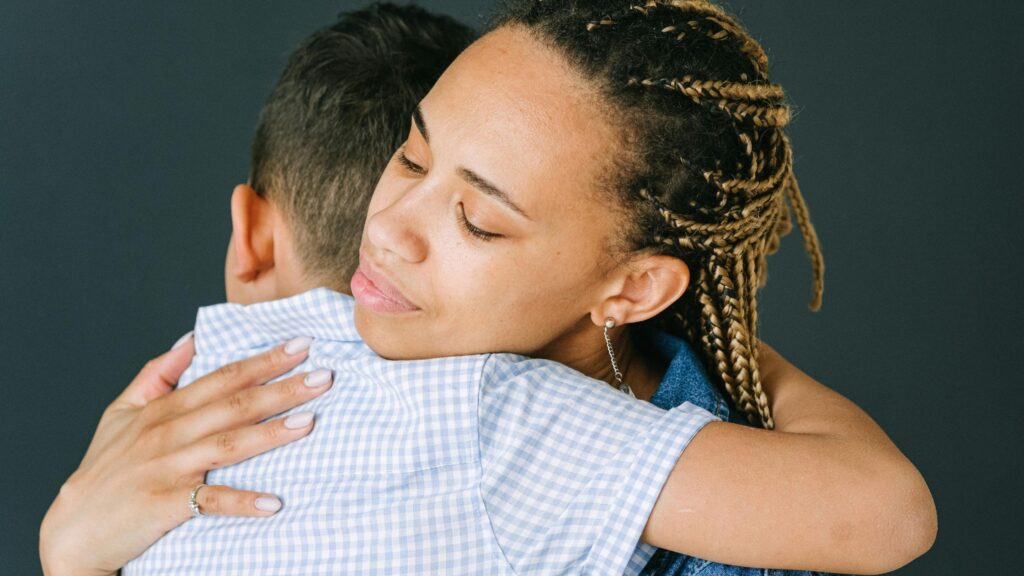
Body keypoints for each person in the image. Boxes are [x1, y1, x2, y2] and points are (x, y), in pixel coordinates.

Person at [40, 1, 938, 575]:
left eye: (477, 220)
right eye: (410, 156)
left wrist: (69, 548)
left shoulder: (241, 361)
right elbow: (885, 509)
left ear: (634, 286)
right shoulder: (494, 414)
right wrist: (726, 345)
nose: (386, 226)